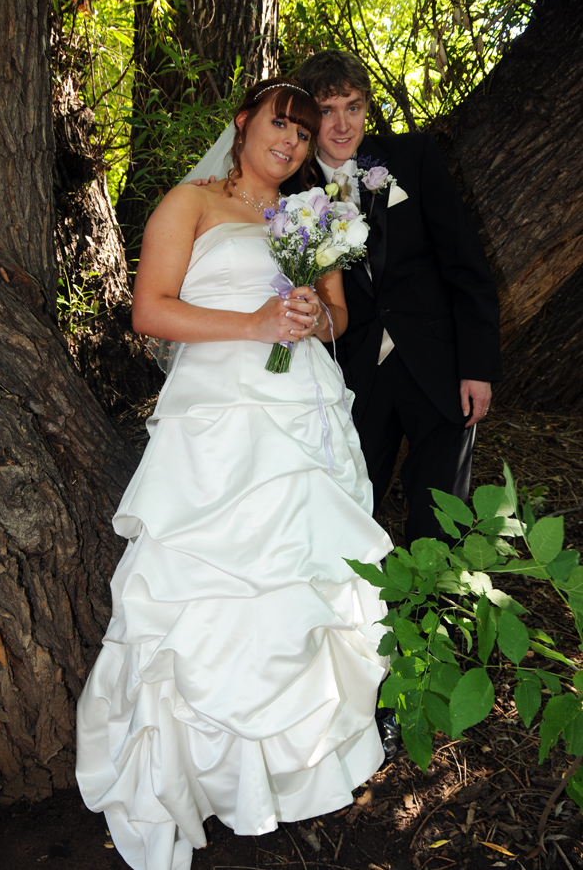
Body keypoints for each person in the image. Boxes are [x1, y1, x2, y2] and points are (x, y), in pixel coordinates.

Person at [76, 78, 393, 870]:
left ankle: (296, 767)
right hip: (218, 419)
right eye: (280, 124)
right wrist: (252, 324)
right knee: (208, 592)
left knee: (299, 581)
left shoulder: (309, 214)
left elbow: (338, 314)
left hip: (301, 416)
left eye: (303, 131)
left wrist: (311, 316)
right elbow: (150, 309)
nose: (291, 141)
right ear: (243, 123)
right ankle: (196, 775)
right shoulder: (189, 204)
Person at [283, 50, 502, 546]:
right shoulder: (288, 185)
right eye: (328, 110)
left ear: (366, 108)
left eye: (353, 107)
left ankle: (434, 617)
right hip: (351, 373)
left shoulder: (414, 157)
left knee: (440, 520)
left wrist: (478, 365)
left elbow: (464, 264)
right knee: (349, 513)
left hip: (438, 363)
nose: (342, 125)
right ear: (309, 117)